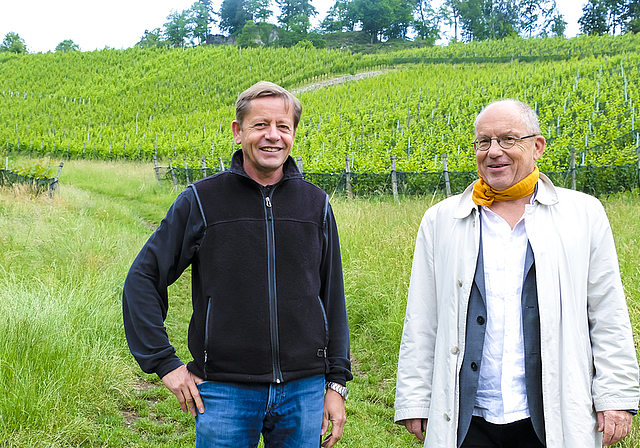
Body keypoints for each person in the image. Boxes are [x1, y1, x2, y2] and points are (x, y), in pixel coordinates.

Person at [394, 99, 639, 448]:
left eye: (508, 139)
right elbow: (422, 317)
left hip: (552, 416)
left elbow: (607, 311)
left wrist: (615, 395)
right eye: (484, 141)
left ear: (537, 146)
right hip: (469, 418)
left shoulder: (584, 215)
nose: (494, 152)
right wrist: (415, 398)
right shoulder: (441, 221)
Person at [123, 81, 352, 448]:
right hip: (223, 392)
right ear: (238, 131)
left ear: (293, 133)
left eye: (283, 126)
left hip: (304, 393)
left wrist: (336, 382)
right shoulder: (201, 200)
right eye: (260, 125)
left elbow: (332, 295)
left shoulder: (316, 204)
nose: (272, 136)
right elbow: (144, 278)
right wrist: (164, 362)